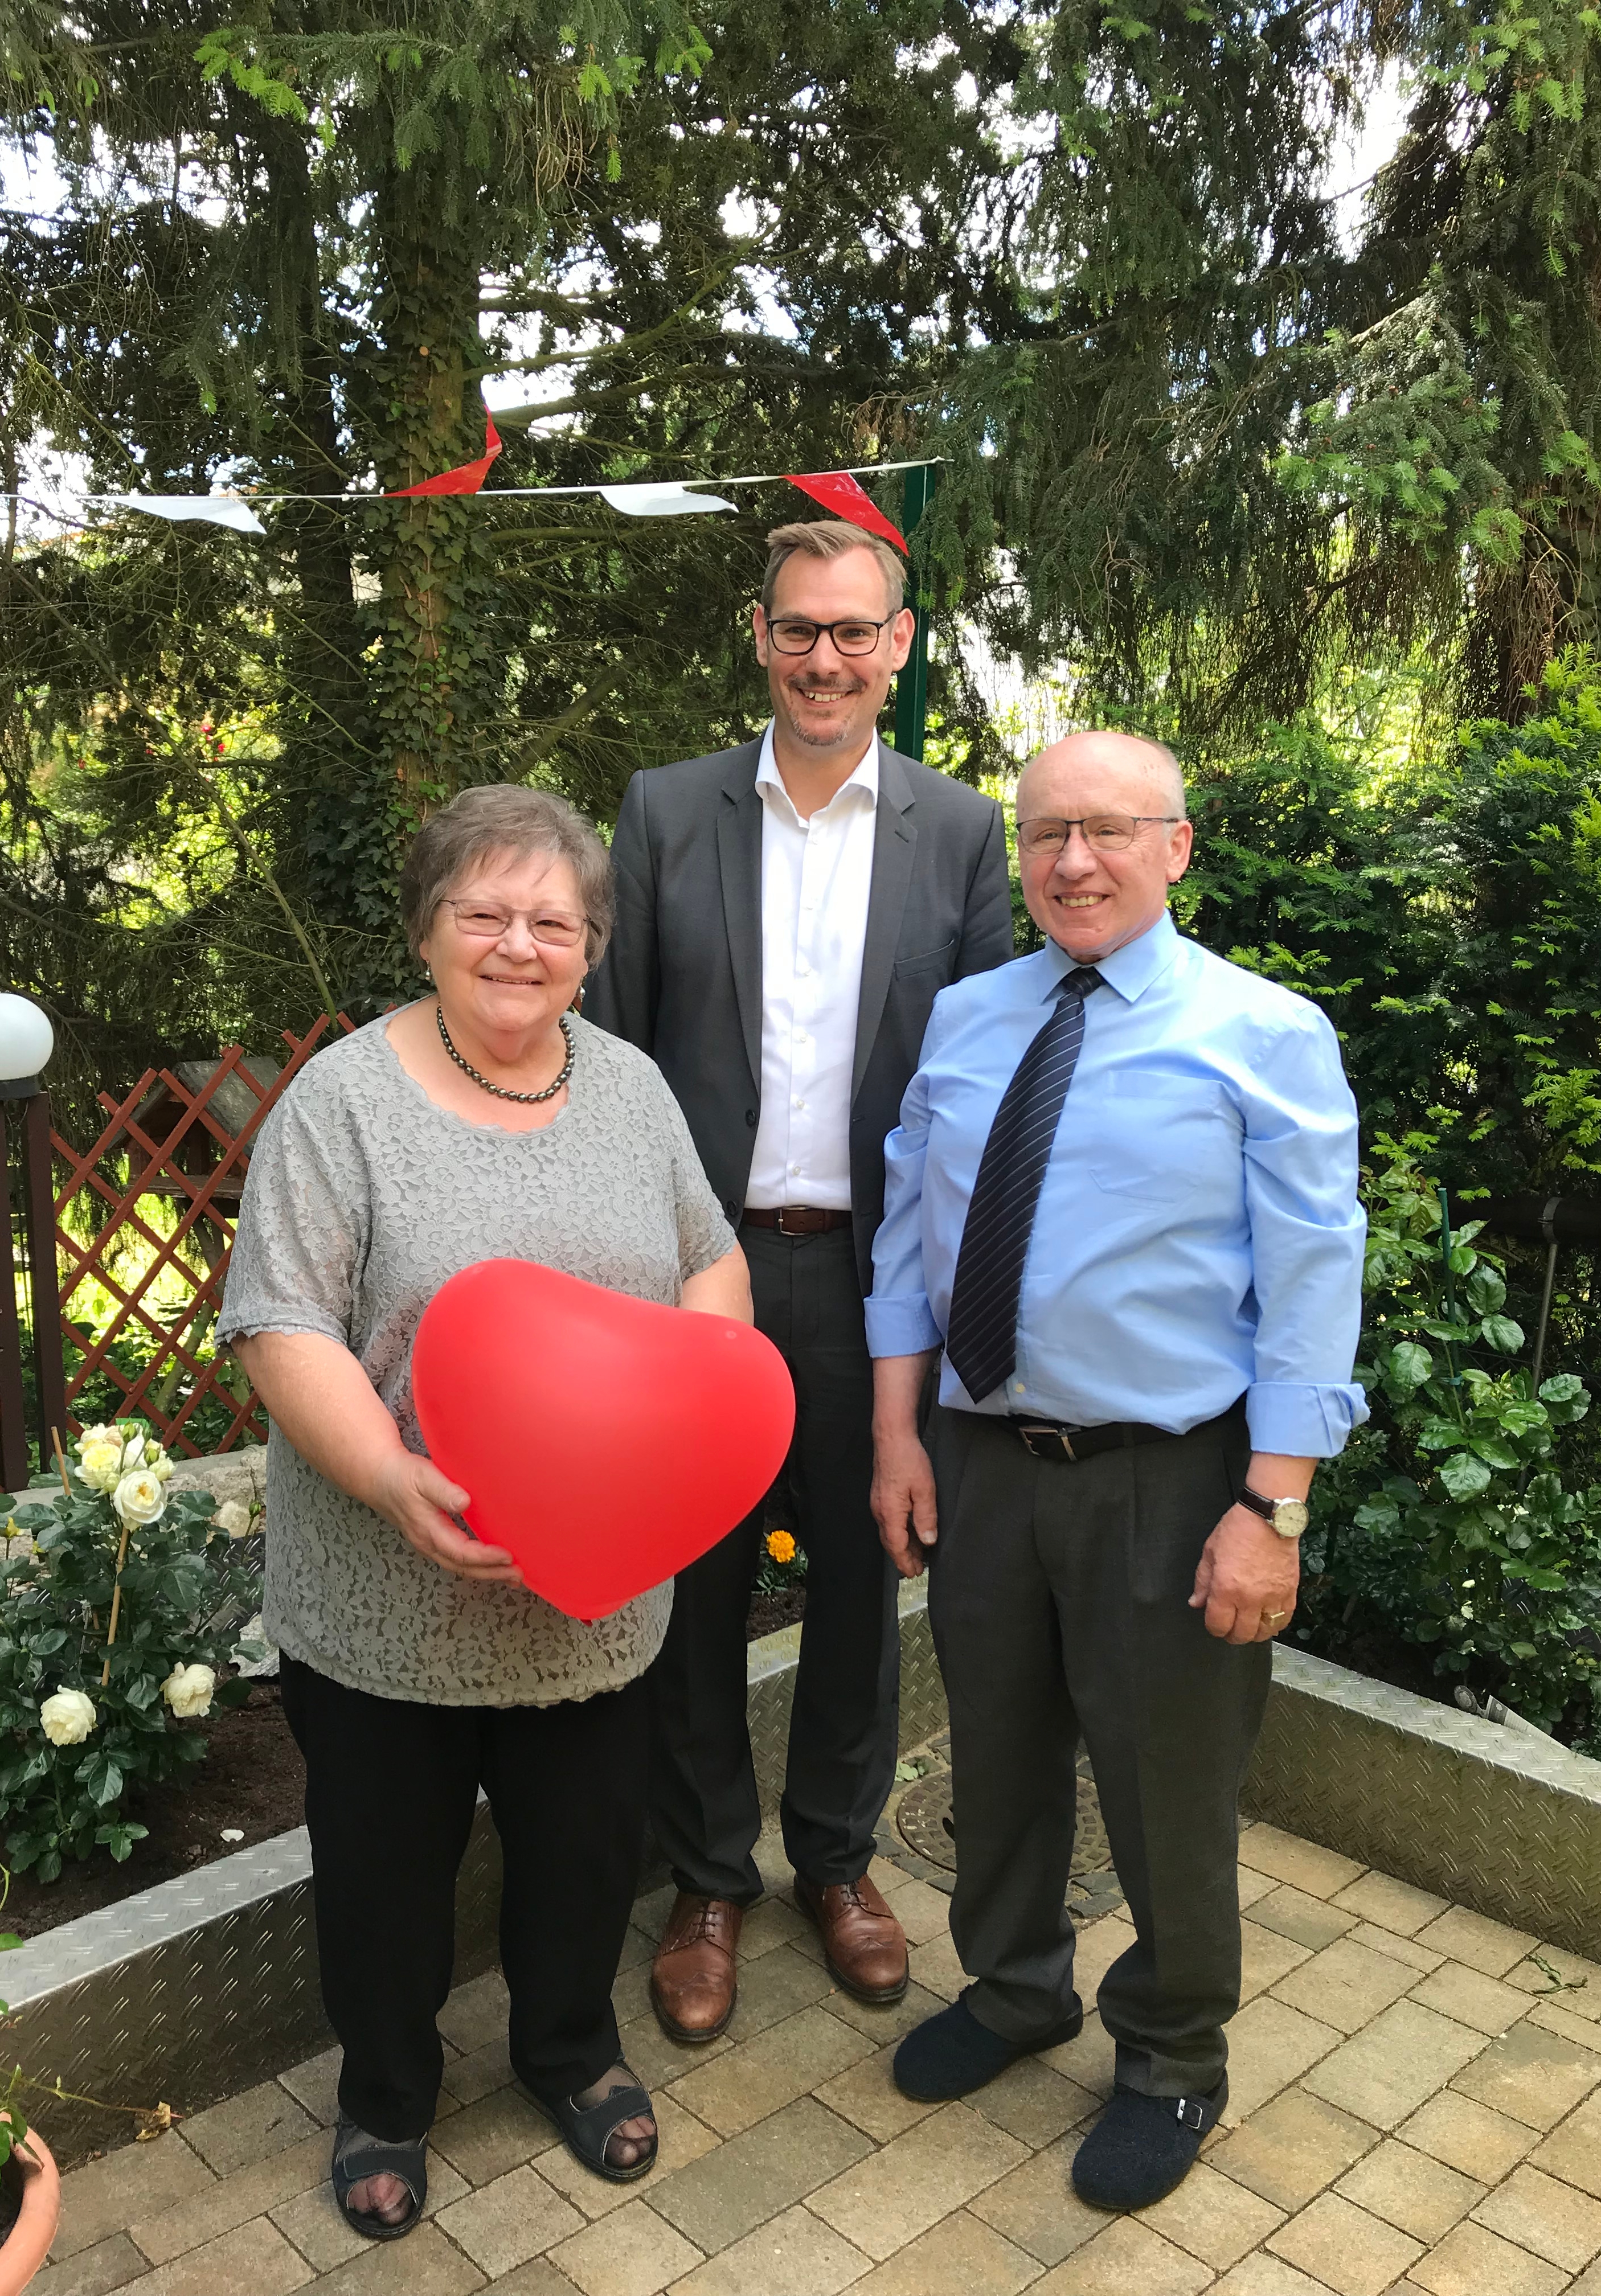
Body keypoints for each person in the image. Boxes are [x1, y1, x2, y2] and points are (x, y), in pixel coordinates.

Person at [219, 785, 749, 2242]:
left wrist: (699, 1417)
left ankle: (569, 2052)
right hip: (389, 1592)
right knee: (385, 1873)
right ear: (428, 929)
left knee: (586, 1853)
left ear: (590, 944)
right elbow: (279, 1325)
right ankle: (387, 2093)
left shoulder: (631, 1090)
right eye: (486, 914)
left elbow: (710, 1268)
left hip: (597, 1594)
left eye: (553, 921)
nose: (520, 944)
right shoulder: (345, 1101)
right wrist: (393, 1480)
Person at [866, 729, 1366, 2212]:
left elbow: (1314, 1284)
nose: (1072, 861)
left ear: (1177, 847)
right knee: (999, 1756)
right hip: (983, 1461)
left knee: (1166, 1783)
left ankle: (1170, 2054)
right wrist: (897, 1433)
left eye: (1107, 830)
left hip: (1170, 1470)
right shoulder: (966, 1018)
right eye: (1045, 836)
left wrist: (1272, 1507)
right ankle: (1018, 1990)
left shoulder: (1262, 1033)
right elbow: (910, 1244)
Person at [585, 519, 1013, 2038]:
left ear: (898, 646)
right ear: (758, 637)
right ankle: (708, 1877)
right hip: (698, 1272)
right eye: (798, 630)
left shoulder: (962, 834)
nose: (825, 658)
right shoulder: (665, 812)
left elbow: (973, 1088)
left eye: (854, 631)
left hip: (867, 1283)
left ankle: (835, 1862)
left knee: (858, 1580)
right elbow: (615, 1058)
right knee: (695, 1580)